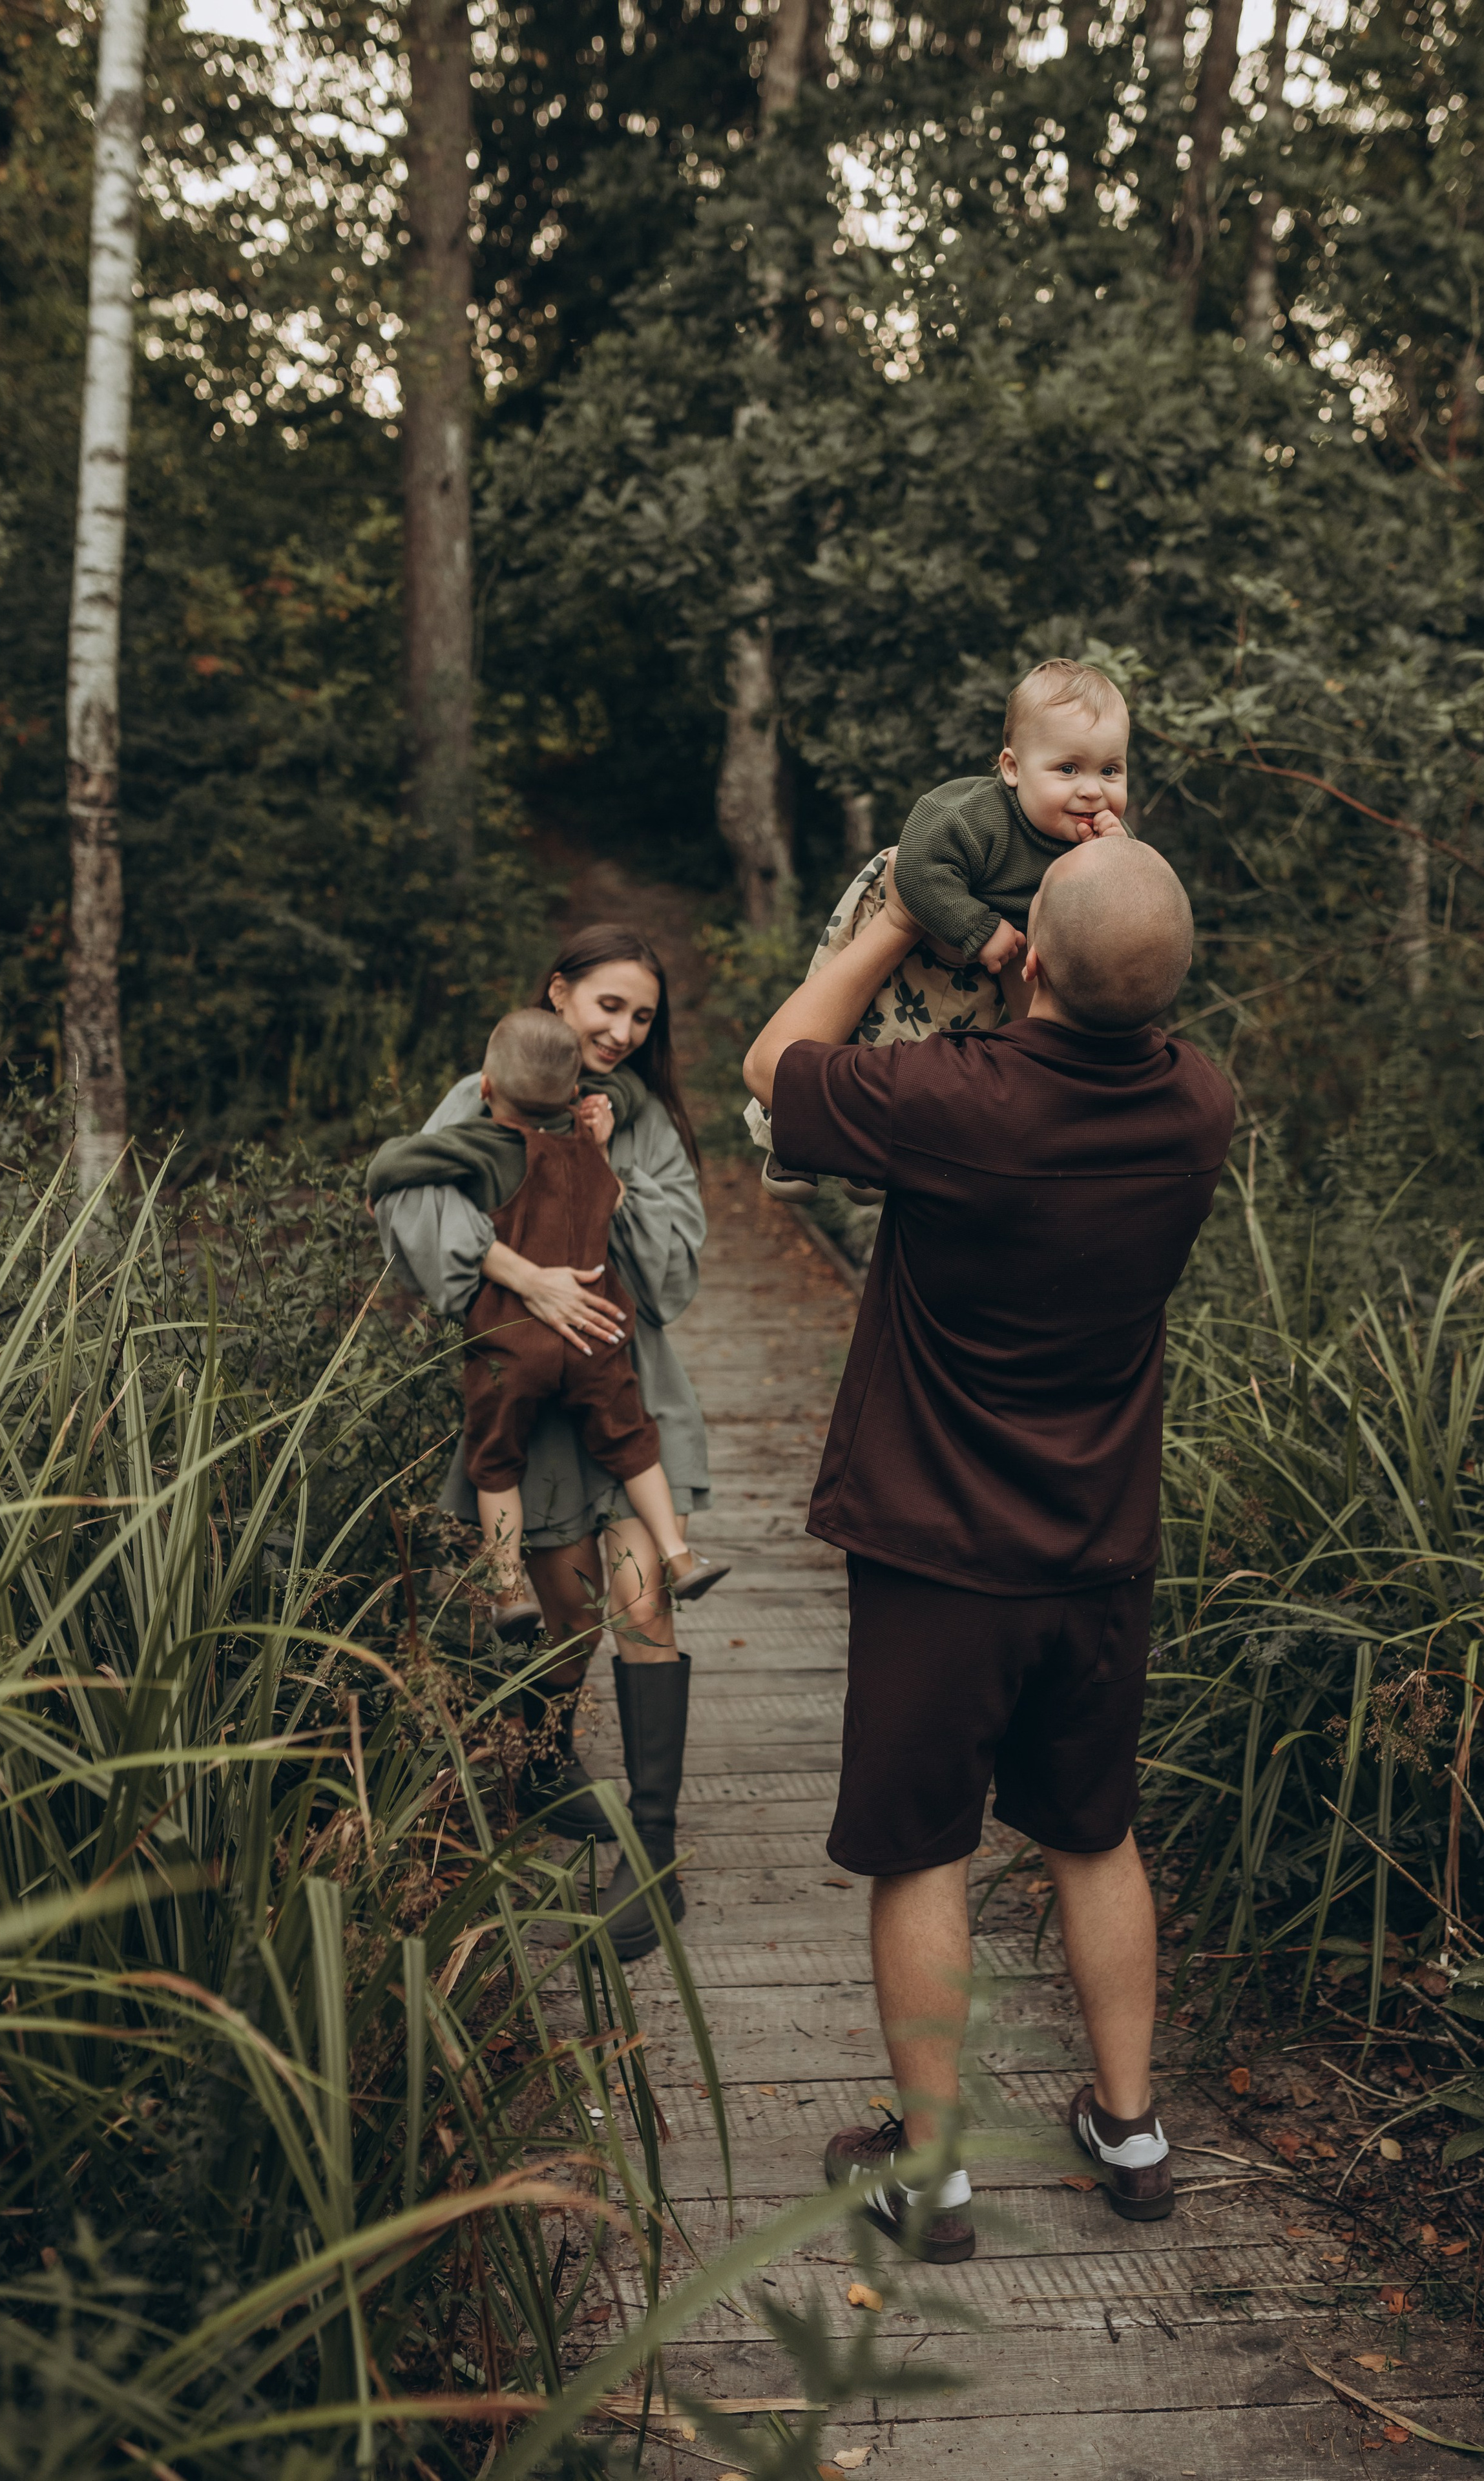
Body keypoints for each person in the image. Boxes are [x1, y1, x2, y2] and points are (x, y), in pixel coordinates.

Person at [742, 834, 1234, 2263]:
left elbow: (776, 1066)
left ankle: (931, 2174)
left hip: (938, 1547)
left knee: (922, 1852)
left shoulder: (957, 1102)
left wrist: (902, 915)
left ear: (1029, 958)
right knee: (1093, 1832)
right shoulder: (1199, 1104)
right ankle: (1130, 2132)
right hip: (1099, 1545)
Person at [373, 926, 713, 1963]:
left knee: (643, 1606)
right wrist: (527, 1277)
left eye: (643, 1016)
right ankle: (544, 1763)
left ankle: (652, 1856)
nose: (624, 1030)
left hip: (627, 1387)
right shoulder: (482, 1096)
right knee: (566, 1617)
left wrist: (607, 1171)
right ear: (558, 994)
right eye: (609, 1005)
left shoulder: (642, 1121)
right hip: (531, 1401)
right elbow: (410, 1201)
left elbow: (674, 1273)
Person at [365, 1008, 725, 1632]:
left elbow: (395, 1164)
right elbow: (612, 1194)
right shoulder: (588, 1146)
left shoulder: (481, 1145)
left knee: (496, 1462)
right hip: (596, 1336)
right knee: (635, 1445)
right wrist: (601, 1140)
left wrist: (382, 1179)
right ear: (573, 1093)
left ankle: (509, 1590)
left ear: (485, 1088)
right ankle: (679, 1554)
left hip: (514, 1343)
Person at [753, 658, 1130, 1204]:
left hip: (982, 969)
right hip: (921, 914)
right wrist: (979, 926)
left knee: (923, 1054)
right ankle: (787, 1138)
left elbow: (1129, 906)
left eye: (1111, 771)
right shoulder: (976, 814)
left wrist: (1116, 859)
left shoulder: (1103, 838)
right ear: (1012, 768)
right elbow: (916, 868)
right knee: (849, 1016)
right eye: (1068, 769)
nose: (1093, 791)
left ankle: (867, 1153)